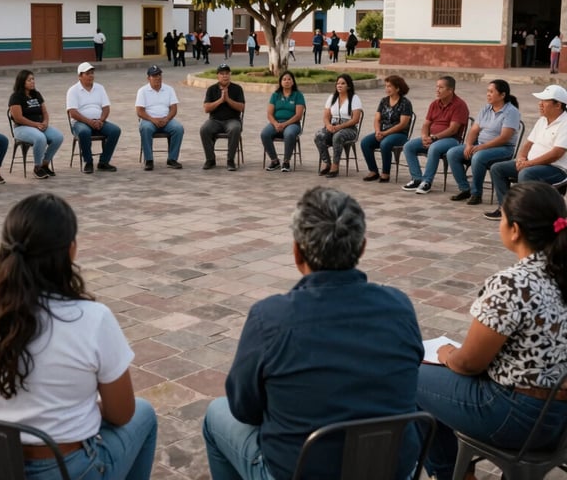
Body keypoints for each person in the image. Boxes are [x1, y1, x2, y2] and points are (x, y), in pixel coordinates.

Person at [203, 187, 423, 480]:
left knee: (216, 415)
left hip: (300, 470)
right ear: (362, 247)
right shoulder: (400, 307)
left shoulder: (271, 318)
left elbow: (244, 408)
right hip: (389, 469)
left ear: (297, 251)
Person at [0, 192, 158, 480]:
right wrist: (76, 410)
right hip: (63, 468)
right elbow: (122, 413)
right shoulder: (92, 318)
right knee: (144, 415)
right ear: (70, 250)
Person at [417, 181, 567, 480]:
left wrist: (447, 355)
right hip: (559, 419)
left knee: (411, 375)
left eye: (502, 217)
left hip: (518, 415)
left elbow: (470, 363)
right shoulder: (559, 271)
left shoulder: (514, 283)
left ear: (514, 230)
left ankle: (452, 474)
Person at [486, 84, 567, 221]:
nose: (540, 104)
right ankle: (505, 209)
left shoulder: (565, 123)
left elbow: (556, 153)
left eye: (544, 101)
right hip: (532, 163)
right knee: (497, 168)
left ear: (558, 105)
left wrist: (529, 164)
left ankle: (524, 214)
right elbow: (528, 143)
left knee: (526, 173)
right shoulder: (542, 120)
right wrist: (521, 158)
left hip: (556, 168)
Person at [446, 80, 520, 206]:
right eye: (487, 91)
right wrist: (469, 144)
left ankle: (476, 193)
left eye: (491, 92)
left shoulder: (511, 111)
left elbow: (504, 137)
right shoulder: (486, 108)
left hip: (503, 148)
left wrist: (481, 147)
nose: (488, 94)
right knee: (452, 153)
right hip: (480, 145)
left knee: (478, 157)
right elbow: (474, 130)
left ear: (502, 95)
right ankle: (465, 189)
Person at [401, 76, 469, 195]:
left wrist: (434, 138)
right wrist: (424, 136)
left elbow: (453, 129)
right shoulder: (434, 104)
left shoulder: (459, 105)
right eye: (437, 87)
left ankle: (427, 182)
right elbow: (426, 124)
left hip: (451, 140)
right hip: (432, 138)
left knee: (434, 147)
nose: (437, 90)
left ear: (450, 90)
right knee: (408, 146)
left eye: (441, 87)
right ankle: (417, 178)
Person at [66, 62, 121, 174]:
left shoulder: (100, 88)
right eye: (87, 73)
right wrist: (89, 122)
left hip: (99, 121)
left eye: (92, 73)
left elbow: (106, 107)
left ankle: (103, 162)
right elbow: (73, 113)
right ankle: (88, 162)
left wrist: (101, 120)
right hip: (80, 122)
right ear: (80, 76)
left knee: (115, 130)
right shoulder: (73, 90)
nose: (91, 76)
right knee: (84, 132)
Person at [8, 70, 64, 180]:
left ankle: (45, 164)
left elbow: (44, 112)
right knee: (40, 138)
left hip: (39, 125)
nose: (32, 82)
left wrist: (45, 123)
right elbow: (18, 118)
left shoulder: (36, 94)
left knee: (58, 137)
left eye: (33, 79)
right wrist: (35, 125)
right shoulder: (16, 97)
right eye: (29, 80)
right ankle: (37, 167)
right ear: (22, 82)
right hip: (22, 128)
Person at [360, 75, 413, 183]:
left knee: (385, 143)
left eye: (389, 86)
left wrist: (385, 133)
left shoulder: (405, 103)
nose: (386, 89)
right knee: (365, 142)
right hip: (383, 132)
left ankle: (385, 173)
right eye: (386, 86)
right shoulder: (384, 101)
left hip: (399, 134)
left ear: (397, 88)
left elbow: (402, 124)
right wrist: (378, 131)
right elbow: (377, 119)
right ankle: (373, 171)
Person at [314, 73, 363, 178]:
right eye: (338, 83)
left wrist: (340, 127)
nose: (339, 85)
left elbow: (355, 119)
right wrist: (328, 125)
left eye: (343, 83)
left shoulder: (354, 98)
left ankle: (335, 166)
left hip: (349, 128)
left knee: (338, 136)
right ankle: (327, 163)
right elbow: (326, 116)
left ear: (348, 86)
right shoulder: (332, 98)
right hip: (333, 126)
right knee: (319, 135)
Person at [135, 65, 184, 171]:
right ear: (148, 78)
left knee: (178, 128)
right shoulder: (142, 91)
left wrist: (166, 119)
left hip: (166, 119)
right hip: (149, 120)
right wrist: (153, 119)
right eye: (154, 75)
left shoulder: (169, 89)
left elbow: (174, 109)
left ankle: (172, 159)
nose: (157, 78)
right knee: (146, 128)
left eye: (159, 75)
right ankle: (149, 160)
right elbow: (139, 111)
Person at [200, 63, 245, 171]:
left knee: (235, 129)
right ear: (217, 76)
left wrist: (228, 100)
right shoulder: (211, 89)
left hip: (232, 120)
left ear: (230, 75)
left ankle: (230, 160)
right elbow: (206, 108)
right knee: (204, 129)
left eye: (227, 74)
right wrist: (220, 100)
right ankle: (210, 159)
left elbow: (241, 108)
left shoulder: (237, 88)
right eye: (222, 74)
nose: (225, 76)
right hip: (215, 120)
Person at [261, 71, 306, 172]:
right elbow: (269, 114)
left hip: (293, 124)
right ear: (280, 82)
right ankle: (274, 161)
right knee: (264, 134)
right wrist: (276, 123)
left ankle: (286, 162)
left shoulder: (298, 95)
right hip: (276, 123)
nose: (287, 81)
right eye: (284, 79)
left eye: (289, 79)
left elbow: (298, 115)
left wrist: (285, 124)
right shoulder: (275, 95)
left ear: (293, 82)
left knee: (289, 133)